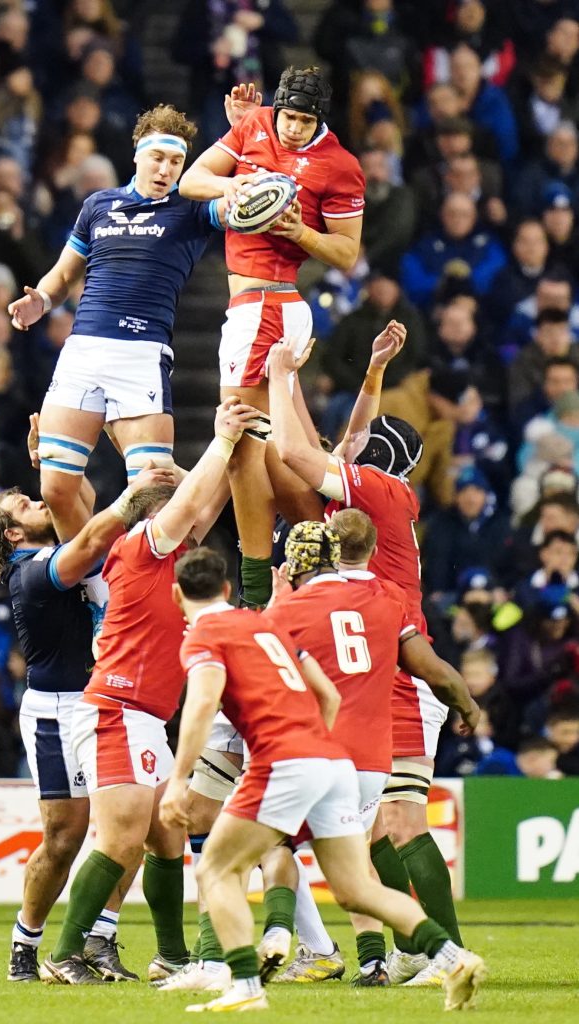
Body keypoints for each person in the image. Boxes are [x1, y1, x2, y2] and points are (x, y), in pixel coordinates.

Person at [159, 545, 486, 1013]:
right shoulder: (264, 624)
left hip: (281, 762)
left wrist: (176, 780)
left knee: (216, 867)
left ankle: (245, 986)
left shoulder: (205, 635)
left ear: (176, 595)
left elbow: (203, 704)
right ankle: (453, 957)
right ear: (228, 590)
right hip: (331, 758)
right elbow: (326, 693)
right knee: (357, 889)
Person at [267, 337, 467, 987]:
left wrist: (276, 375)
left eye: (354, 448)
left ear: (370, 462)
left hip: (404, 670)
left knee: (398, 818)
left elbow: (300, 452)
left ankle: (445, 954)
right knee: (361, 818)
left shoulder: (373, 492)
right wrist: (373, 370)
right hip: (382, 664)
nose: (342, 449)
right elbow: (343, 442)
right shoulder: (381, 493)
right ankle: (408, 947)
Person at [40, 397, 260, 985]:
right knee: (120, 839)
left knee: (167, 834)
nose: (193, 530)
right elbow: (191, 503)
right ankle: (64, 954)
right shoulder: (140, 548)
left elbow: (205, 504)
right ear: (157, 520)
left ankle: (171, 954)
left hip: (142, 715)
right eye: (178, 522)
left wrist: (232, 449)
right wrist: (218, 438)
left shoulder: (168, 556)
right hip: (117, 709)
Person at [178, 65, 365, 607]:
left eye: (306, 121)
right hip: (252, 307)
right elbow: (193, 181)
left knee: (237, 438)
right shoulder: (254, 124)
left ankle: (258, 588)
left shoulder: (340, 167)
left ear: (320, 120)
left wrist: (298, 230)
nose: (292, 129)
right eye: (288, 117)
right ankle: (325, 563)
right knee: (267, 449)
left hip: (270, 304)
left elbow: (347, 253)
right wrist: (237, 181)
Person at [264, 513, 478, 986]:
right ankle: (417, 958)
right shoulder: (387, 599)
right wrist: (466, 703)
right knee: (356, 873)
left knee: (270, 845)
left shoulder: (292, 608)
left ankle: (272, 945)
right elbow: (433, 669)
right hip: (371, 761)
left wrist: (277, 601)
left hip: (314, 754)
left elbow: (250, 659)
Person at [0, 462, 175, 983]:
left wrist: (57, 465)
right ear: (13, 534)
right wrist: (133, 494)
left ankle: (101, 938)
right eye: (25, 505)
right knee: (65, 837)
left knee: (135, 825)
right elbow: (91, 535)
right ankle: (26, 943)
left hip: (109, 701)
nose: (39, 502)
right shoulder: (29, 571)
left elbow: (77, 503)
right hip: (57, 710)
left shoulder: (64, 544)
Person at [7, 103, 229, 542]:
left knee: (154, 500)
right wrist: (43, 300)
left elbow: (242, 206)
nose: (166, 169)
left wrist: (242, 136)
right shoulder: (99, 205)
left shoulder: (191, 208)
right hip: (83, 350)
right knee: (56, 489)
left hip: (141, 355)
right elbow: (65, 272)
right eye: (158, 158)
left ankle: (155, 589)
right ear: (137, 155)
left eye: (177, 161)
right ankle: (94, 589)